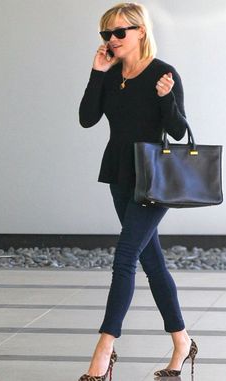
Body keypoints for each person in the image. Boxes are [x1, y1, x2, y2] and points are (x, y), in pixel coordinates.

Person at [78, 3, 198, 380]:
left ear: (140, 31)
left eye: (119, 33)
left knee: (125, 256)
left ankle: (104, 348)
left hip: (152, 179)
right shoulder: (111, 74)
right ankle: (182, 341)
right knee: (151, 262)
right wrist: (96, 73)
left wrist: (166, 98)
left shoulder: (164, 73)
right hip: (119, 173)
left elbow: (178, 132)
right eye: (106, 34)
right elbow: (87, 118)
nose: (111, 40)